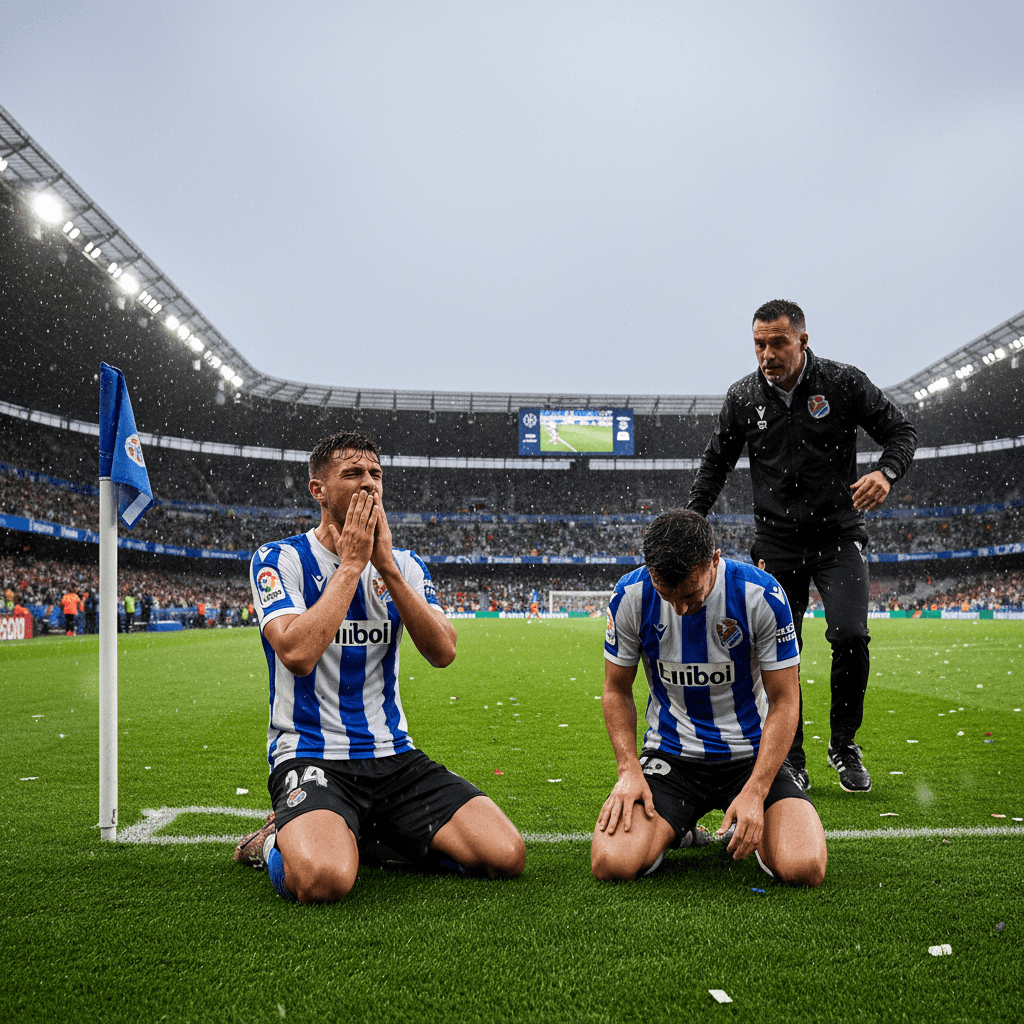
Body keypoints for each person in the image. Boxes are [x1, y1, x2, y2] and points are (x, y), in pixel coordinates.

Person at [235, 429, 525, 903]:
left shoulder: (405, 565)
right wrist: (351, 566)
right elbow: (297, 654)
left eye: (376, 473)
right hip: (312, 754)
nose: (369, 483)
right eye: (352, 473)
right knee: (324, 882)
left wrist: (385, 567)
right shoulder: (278, 559)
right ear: (318, 490)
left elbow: (443, 652)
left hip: (393, 756)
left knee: (505, 855)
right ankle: (272, 842)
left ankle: (362, 833)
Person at [686, 299, 918, 793]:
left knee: (850, 635)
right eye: (758, 344)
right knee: (776, 649)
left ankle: (844, 744)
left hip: (838, 535)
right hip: (777, 542)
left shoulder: (842, 382)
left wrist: (886, 472)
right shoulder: (743, 397)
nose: (767, 354)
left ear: (803, 340)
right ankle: (790, 755)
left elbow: (901, 431)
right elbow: (715, 464)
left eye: (778, 343)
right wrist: (690, 521)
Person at [590, 509, 826, 886]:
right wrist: (628, 769)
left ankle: (749, 821)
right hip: (672, 758)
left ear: (714, 560)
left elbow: (785, 701)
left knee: (804, 867)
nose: (680, 609)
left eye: (690, 594)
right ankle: (679, 829)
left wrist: (757, 789)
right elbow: (616, 690)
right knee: (611, 863)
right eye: (667, 595)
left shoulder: (761, 595)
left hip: (751, 757)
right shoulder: (630, 595)